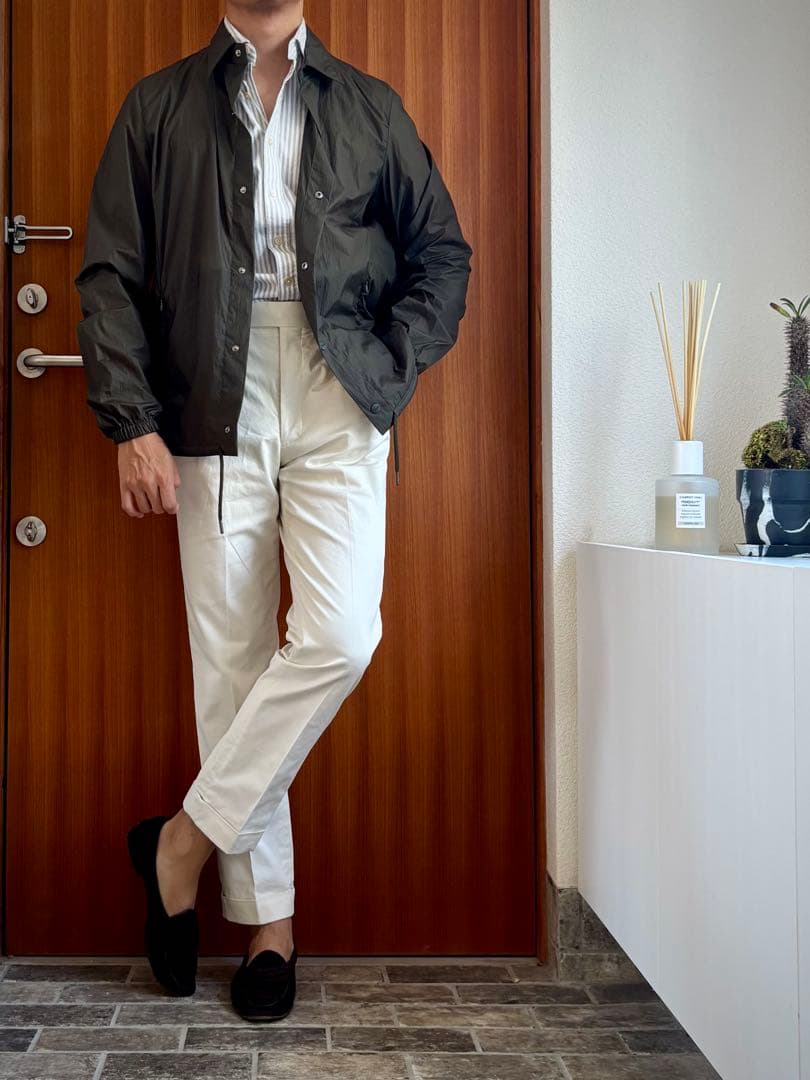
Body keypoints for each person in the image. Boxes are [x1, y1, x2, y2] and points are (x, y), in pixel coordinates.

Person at [74, 0, 472, 1022]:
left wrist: (386, 364)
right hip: (214, 388)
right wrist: (130, 420)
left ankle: (179, 843)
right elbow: (110, 271)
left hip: (342, 384)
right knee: (232, 662)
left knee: (341, 635)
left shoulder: (368, 106)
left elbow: (442, 254)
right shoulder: (160, 106)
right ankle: (269, 927)